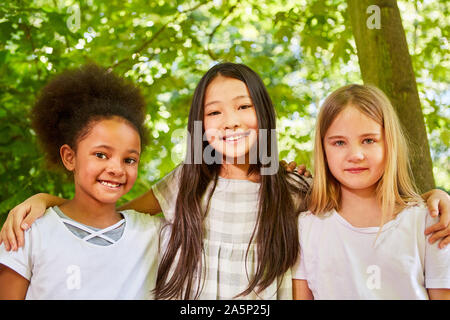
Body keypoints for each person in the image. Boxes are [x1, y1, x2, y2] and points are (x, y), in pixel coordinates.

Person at [1, 63, 449, 300]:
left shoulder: (293, 191)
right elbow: (107, 214)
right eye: (214, 112)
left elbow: (362, 206)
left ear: (263, 115)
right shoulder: (183, 184)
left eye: (242, 107)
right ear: (200, 124)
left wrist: (432, 196)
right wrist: (46, 199)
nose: (229, 121)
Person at [0, 64, 162, 299]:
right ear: (70, 157)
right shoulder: (29, 232)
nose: (116, 169)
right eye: (101, 155)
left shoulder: (155, 235)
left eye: (129, 159)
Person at [292, 84, 450, 299]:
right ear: (324, 150)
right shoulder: (307, 227)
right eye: (339, 142)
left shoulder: (429, 223)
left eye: (368, 140)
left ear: (389, 143)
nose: (355, 154)